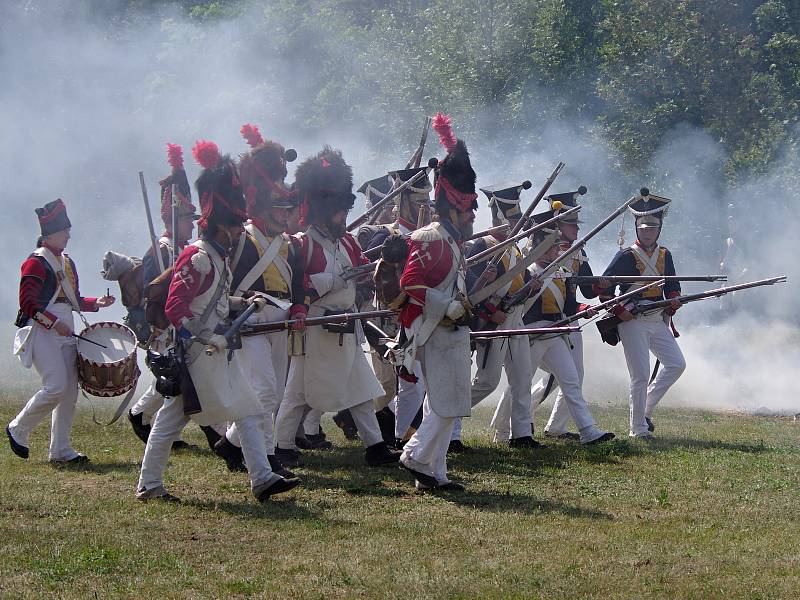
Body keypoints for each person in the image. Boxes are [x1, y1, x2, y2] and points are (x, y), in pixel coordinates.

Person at [136, 140, 299, 502]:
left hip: (215, 350)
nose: (242, 230)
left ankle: (262, 478)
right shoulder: (197, 257)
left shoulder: (216, 255)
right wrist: (204, 338)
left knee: (250, 408)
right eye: (236, 226)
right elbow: (177, 310)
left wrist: (243, 300)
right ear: (224, 227)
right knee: (168, 422)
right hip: (197, 354)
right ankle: (149, 485)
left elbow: (215, 299)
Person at [273, 146, 400, 469]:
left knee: (360, 388)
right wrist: (333, 280)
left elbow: (364, 273)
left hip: (347, 325)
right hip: (316, 328)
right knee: (298, 392)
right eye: (338, 211)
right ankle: (282, 445)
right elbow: (296, 288)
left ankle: (375, 446)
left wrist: (380, 268)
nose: (343, 216)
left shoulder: (347, 242)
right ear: (321, 210)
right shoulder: (302, 243)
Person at [211, 123, 301, 477]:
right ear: (264, 207)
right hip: (248, 320)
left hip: (278, 321)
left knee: (274, 395)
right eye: (280, 209)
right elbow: (223, 283)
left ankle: (231, 443)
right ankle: (265, 458)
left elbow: (297, 287)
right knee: (263, 392)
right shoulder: (242, 240)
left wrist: (299, 308)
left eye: (286, 209)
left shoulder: (286, 243)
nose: (285, 214)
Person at [397, 113, 476, 490]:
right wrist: (445, 306)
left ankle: (435, 472)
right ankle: (413, 456)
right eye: (468, 208)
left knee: (446, 405)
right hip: (431, 330)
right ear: (453, 207)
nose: (473, 214)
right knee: (445, 407)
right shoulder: (429, 238)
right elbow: (410, 283)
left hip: (449, 330)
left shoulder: (453, 241)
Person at [492, 209, 615, 446]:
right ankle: (502, 431)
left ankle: (588, 430)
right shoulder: (527, 273)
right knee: (520, 384)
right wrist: (531, 288)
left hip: (555, 334)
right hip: (532, 336)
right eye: (551, 247)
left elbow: (569, 307)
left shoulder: (563, 273)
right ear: (539, 248)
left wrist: (584, 310)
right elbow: (517, 308)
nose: (556, 251)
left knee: (571, 380)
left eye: (556, 247)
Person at [7, 199, 115, 462]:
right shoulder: (35, 263)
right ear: (50, 234)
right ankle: (18, 428)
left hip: (64, 330)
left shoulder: (67, 262)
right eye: (64, 230)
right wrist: (55, 324)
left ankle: (60, 449)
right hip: (41, 332)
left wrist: (96, 303)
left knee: (69, 392)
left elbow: (72, 298)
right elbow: (28, 304)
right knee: (55, 387)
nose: (68, 235)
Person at [127, 143, 213, 450]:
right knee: (177, 375)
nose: (193, 225)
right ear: (174, 220)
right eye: (189, 220)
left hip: (179, 321)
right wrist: (160, 326)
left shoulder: (179, 250)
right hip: (163, 324)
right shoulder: (160, 250)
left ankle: (143, 416)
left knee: (177, 377)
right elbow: (151, 292)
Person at [451, 181, 536, 449]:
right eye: (512, 217)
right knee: (487, 382)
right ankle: (450, 425)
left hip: (515, 317)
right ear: (499, 217)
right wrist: (490, 311)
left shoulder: (516, 248)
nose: (516, 223)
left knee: (523, 377)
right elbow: (469, 286)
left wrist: (531, 285)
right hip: (493, 319)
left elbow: (517, 283)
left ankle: (521, 434)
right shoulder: (482, 245)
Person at [595, 190, 685, 439]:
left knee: (677, 364)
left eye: (652, 228)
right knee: (641, 375)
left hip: (657, 319)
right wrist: (619, 310)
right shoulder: (625, 255)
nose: (647, 232)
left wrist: (674, 300)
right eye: (643, 228)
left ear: (659, 229)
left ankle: (644, 410)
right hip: (632, 320)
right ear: (637, 229)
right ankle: (638, 429)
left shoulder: (665, 255)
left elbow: (673, 285)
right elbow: (603, 288)